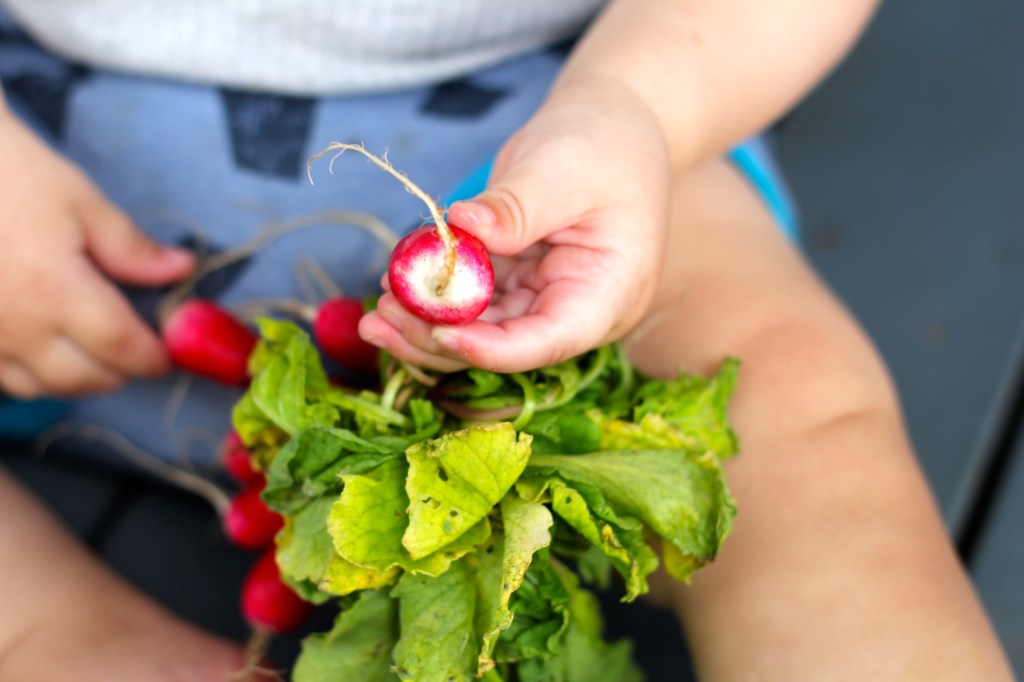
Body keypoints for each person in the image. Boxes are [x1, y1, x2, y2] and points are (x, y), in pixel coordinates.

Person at [0, 1, 1014, 680]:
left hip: (559, 128)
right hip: (29, 151)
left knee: (791, 418)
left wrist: (635, 109)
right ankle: (61, 637)